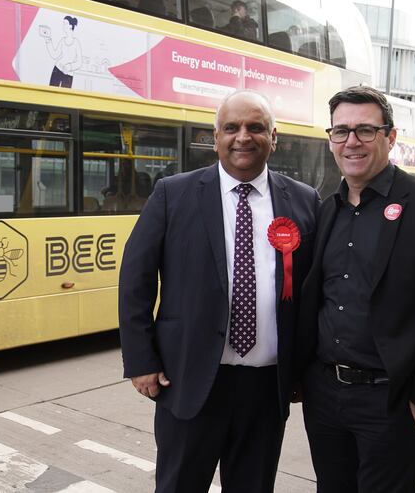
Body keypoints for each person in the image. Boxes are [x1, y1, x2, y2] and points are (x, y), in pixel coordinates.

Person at [119, 90, 320, 492]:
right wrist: (141, 360)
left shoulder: (303, 200)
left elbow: (312, 293)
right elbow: (135, 280)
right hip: (190, 380)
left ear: (274, 137)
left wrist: (301, 368)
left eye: (255, 127)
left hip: (266, 388)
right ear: (216, 137)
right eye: (232, 128)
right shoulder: (172, 194)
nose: (243, 137)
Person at [296, 85, 415, 493]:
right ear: (330, 140)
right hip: (326, 399)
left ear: (390, 138)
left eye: (365, 130)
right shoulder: (327, 209)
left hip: (391, 402)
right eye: (340, 131)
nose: (351, 141)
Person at [43, 15, 82, 88]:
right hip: (57, 70)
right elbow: (54, 55)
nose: (63, 26)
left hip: (68, 74)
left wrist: (69, 66)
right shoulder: (62, 40)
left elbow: (79, 62)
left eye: (65, 23)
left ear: (70, 26)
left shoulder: (76, 43)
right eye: (63, 23)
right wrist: (48, 41)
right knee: (51, 92)